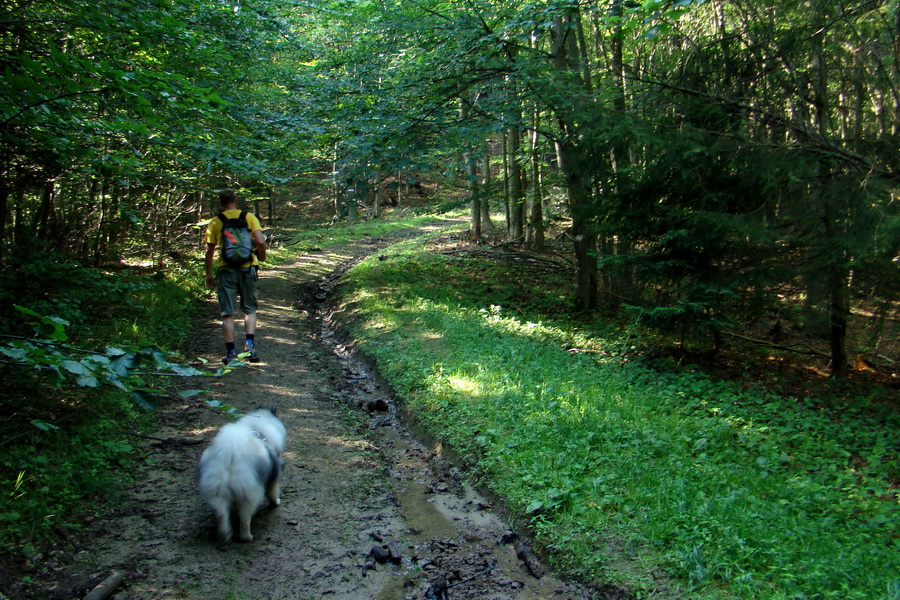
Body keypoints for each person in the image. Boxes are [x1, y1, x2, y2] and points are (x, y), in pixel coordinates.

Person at [205, 189, 267, 364]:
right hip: (247, 269)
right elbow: (260, 241)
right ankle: (249, 347)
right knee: (249, 309)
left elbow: (209, 251)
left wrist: (208, 274)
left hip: (226, 271)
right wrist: (261, 256)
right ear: (235, 200)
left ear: (221, 203)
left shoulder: (216, 222)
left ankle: (231, 353)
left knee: (228, 314)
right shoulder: (249, 217)